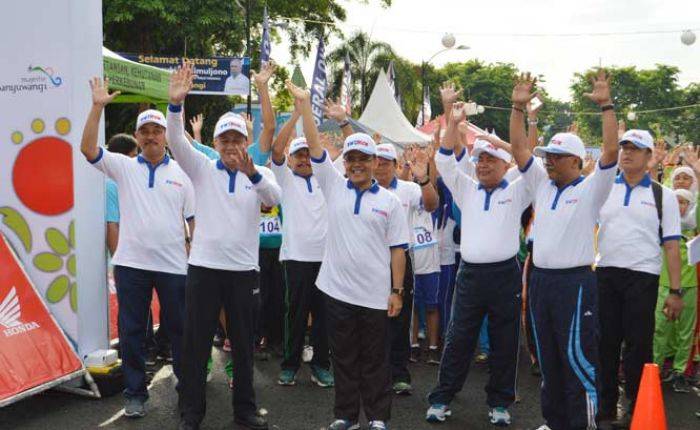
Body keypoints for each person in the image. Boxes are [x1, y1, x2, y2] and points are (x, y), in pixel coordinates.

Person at [286, 79, 409, 430]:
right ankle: (345, 416)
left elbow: (398, 249)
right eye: (351, 158)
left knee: (374, 360)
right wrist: (306, 106)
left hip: (374, 296)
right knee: (343, 358)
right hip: (337, 292)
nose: (355, 164)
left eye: (362, 159)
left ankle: (378, 417)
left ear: (374, 162)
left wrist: (397, 291)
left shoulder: (390, 202)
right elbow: (313, 144)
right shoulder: (333, 185)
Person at [167, 64, 281, 430]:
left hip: (244, 271)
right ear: (215, 144)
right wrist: (175, 105)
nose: (231, 145)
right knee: (196, 345)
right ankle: (191, 414)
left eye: (237, 139)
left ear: (245, 143)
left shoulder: (258, 171)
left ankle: (244, 411)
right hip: (203, 268)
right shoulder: (201, 167)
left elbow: (273, 198)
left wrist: (252, 173)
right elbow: (176, 142)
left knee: (244, 347)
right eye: (225, 140)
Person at [508, 70, 619, 430]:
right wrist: (517, 106)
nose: (548, 160)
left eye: (556, 156)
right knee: (549, 356)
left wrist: (606, 104)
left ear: (575, 161)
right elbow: (519, 148)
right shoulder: (542, 184)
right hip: (541, 282)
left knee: (577, 359)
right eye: (548, 156)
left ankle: (581, 423)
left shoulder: (591, 188)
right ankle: (554, 421)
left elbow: (611, 151)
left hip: (574, 284)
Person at [80, 78, 195, 419]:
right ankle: (134, 393)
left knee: (180, 331)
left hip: (174, 266)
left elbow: (193, 222)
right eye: (144, 131)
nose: (150, 136)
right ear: (138, 136)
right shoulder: (124, 167)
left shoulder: (184, 174)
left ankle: (186, 384)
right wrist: (97, 106)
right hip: (131, 265)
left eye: (156, 131)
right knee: (131, 333)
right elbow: (87, 149)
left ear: (165, 135)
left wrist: (196, 256)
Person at [426, 103, 532, 426]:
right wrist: (451, 119)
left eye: (491, 160)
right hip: (470, 275)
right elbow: (444, 161)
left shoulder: (518, 190)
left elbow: (530, 160)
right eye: (480, 160)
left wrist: (508, 136)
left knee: (505, 340)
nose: (484, 165)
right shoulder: (466, 189)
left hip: (504, 275)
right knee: (459, 338)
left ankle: (500, 403)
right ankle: (442, 398)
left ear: (505, 164)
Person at [595, 129, 684, 428]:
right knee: (605, 344)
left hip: (643, 278)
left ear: (649, 157)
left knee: (638, 346)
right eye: (624, 147)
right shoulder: (604, 187)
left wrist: (675, 291)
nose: (627, 153)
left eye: (636, 149)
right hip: (605, 274)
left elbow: (672, 244)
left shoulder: (664, 195)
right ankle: (604, 407)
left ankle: (635, 406)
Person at [270, 103, 334, 388]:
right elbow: (275, 149)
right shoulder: (284, 179)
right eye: (299, 154)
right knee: (295, 314)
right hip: (295, 258)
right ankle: (290, 365)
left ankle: (321, 365)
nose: (305, 159)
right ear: (291, 158)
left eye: (308, 154)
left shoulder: (326, 178)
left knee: (324, 316)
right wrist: (297, 114)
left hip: (327, 259)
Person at [374, 143, 438, 394]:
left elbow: (432, 205)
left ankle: (399, 373)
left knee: (399, 319)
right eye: (376, 161)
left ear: (395, 165)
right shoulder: (361, 188)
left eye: (385, 161)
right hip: (370, 261)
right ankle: (374, 372)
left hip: (400, 259)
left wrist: (423, 180)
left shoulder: (409, 189)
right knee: (371, 318)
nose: (380, 166)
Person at [653, 188, 697, 394]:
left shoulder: (694, 228)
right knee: (661, 328)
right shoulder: (663, 226)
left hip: (691, 285)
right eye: (676, 201)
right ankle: (655, 368)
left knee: (685, 332)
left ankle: (680, 372)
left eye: (684, 202)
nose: (680, 205)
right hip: (665, 284)